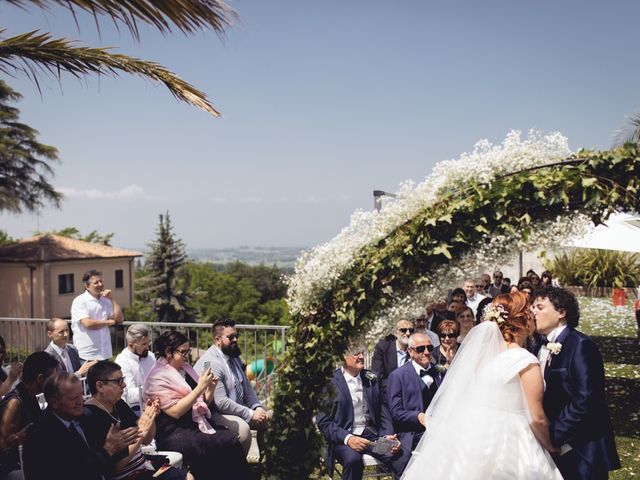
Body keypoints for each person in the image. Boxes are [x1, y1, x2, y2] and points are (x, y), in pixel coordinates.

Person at [401, 291, 562, 479]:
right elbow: (537, 419)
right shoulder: (525, 360)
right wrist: (551, 446)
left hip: (475, 435)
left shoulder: (482, 357)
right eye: (530, 310)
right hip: (513, 441)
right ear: (522, 319)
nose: (534, 314)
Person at [532, 286, 620, 479]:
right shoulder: (538, 345)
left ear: (561, 313)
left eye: (540, 307)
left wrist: (554, 436)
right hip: (551, 449)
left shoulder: (580, 345)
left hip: (582, 449)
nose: (533, 312)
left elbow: (586, 399)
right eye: (533, 307)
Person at [143, 330, 249, 479]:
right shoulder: (157, 377)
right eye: (183, 352)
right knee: (225, 441)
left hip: (193, 425)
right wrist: (199, 387)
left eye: (188, 351)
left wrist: (210, 389)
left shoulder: (185, 369)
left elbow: (202, 402)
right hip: (173, 432)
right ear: (168, 351)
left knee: (227, 440)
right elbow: (175, 412)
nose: (187, 356)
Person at [22, 372, 140, 480]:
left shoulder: (86, 417)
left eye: (81, 395)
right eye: (74, 398)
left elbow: (109, 466)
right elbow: (73, 473)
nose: (81, 401)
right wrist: (108, 450)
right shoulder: (40, 436)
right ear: (54, 402)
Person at [81, 360, 186, 480]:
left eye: (123, 379)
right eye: (118, 381)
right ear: (100, 386)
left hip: (146, 466)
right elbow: (114, 468)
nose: (124, 385)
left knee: (189, 476)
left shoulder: (118, 403)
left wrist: (149, 417)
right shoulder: (90, 416)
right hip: (130, 475)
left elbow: (147, 439)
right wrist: (142, 430)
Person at [316, 344, 400, 480]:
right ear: (343, 356)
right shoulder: (329, 382)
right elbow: (324, 422)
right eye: (356, 353)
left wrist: (387, 436)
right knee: (353, 460)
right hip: (344, 439)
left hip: (372, 438)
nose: (361, 356)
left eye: (362, 352)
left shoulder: (371, 378)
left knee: (397, 454)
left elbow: (383, 411)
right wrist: (348, 438)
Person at [194, 319, 268, 457]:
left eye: (236, 336)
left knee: (268, 417)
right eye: (230, 337)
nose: (235, 340)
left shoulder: (233, 355)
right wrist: (250, 414)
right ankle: (239, 470)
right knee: (244, 431)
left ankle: (269, 465)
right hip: (215, 413)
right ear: (217, 340)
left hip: (238, 407)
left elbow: (246, 385)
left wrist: (256, 406)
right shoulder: (211, 363)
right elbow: (221, 402)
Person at [387, 333, 441, 477]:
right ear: (410, 351)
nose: (426, 352)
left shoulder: (440, 372)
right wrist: (419, 416)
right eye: (420, 349)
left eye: (429, 348)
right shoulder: (397, 376)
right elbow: (396, 412)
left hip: (439, 430)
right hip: (411, 433)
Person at [0, 352, 58, 478]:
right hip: (12, 467)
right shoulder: (14, 403)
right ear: (40, 379)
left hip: (35, 456)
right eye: (52, 379)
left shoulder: (40, 395)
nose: (54, 383)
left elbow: (47, 415)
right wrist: (20, 436)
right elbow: (3, 445)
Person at [71, 269, 124, 361]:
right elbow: (87, 323)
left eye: (101, 281)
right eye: (96, 282)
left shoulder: (106, 300)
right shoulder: (80, 301)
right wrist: (108, 322)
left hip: (104, 353)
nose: (100, 284)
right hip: (87, 354)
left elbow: (119, 318)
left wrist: (112, 299)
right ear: (87, 286)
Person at [115, 324, 156, 412]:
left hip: (153, 404)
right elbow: (129, 395)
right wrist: (155, 388)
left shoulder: (151, 356)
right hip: (133, 409)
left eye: (148, 342)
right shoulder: (122, 361)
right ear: (131, 345)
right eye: (144, 344)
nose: (147, 347)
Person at [371, 319, 414, 396]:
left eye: (411, 330)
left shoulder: (415, 350)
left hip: (409, 394)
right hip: (387, 393)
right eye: (403, 330)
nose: (408, 333)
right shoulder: (383, 348)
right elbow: (377, 375)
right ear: (395, 333)